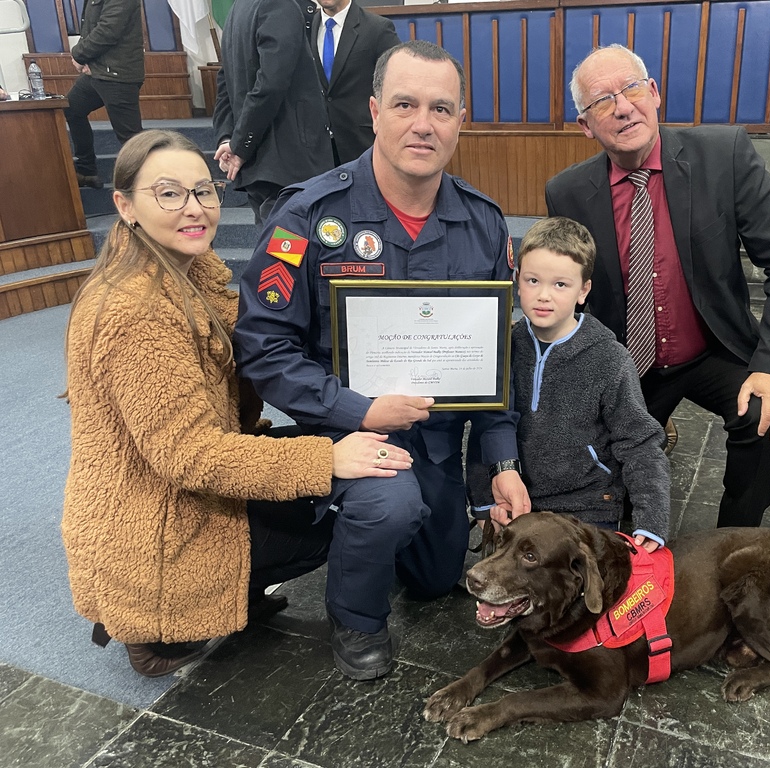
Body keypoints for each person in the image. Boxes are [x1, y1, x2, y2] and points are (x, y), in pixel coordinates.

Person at [62, 129, 413, 679]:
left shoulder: (187, 272)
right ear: (124, 205)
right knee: (353, 502)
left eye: (203, 190)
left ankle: (207, 593)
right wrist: (324, 459)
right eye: (169, 194)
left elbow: (258, 350)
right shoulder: (137, 311)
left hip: (184, 484)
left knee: (371, 477)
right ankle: (154, 625)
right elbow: (191, 457)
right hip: (158, 523)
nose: (194, 208)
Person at [233, 40, 530, 681]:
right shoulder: (308, 217)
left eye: (441, 108)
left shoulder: (482, 223)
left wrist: (502, 461)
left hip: (439, 436)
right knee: (389, 506)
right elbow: (264, 347)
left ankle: (380, 538)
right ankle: (355, 615)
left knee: (434, 578)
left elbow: (494, 358)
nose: (423, 123)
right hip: (344, 429)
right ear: (373, 111)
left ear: (459, 121)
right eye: (405, 104)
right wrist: (357, 409)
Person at [545, 44, 770, 530]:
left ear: (653, 93)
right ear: (586, 125)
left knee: (768, 417)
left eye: (630, 89)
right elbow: (572, 292)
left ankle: (734, 539)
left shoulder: (723, 155)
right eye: (602, 101)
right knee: (603, 494)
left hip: (713, 346)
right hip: (629, 359)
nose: (622, 106)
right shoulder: (566, 192)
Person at [474, 217, 670, 552]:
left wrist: (651, 519)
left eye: (561, 285)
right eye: (533, 280)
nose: (544, 296)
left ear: (583, 290)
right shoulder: (502, 347)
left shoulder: (609, 359)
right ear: (517, 281)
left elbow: (639, 441)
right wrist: (482, 501)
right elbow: (485, 425)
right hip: (519, 501)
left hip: (590, 504)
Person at [213, 0, 335, 224]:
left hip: (264, 165)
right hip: (288, 164)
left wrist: (228, 137)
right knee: (290, 253)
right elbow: (271, 84)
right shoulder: (277, 4)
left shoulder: (238, 9)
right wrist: (239, 146)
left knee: (276, 251)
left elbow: (224, 83)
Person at [64, 0, 145, 189]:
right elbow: (90, 28)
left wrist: (78, 55)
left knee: (131, 138)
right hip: (99, 72)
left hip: (118, 74)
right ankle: (86, 170)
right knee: (72, 107)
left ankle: (146, 185)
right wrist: (88, 60)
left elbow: (108, 30)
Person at [308, 0, 400, 165]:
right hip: (316, 150)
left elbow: (398, 83)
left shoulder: (377, 28)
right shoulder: (305, 28)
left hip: (362, 144)